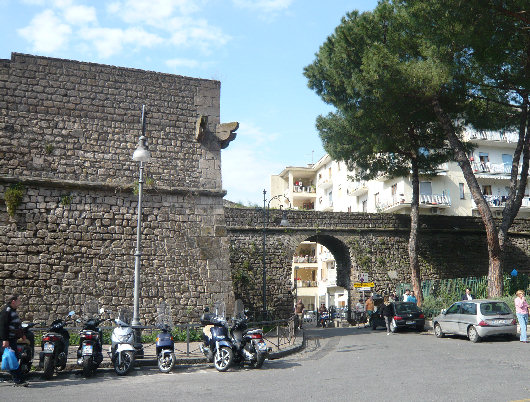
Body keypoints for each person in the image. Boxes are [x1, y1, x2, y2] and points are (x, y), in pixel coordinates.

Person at [0, 294, 28, 386]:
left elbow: (16, 326)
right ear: (13, 301)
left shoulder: (12, 311)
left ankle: (17, 378)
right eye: (18, 301)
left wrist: (22, 335)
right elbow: (3, 326)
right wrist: (5, 339)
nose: (19, 302)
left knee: (11, 358)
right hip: (8, 340)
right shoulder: (7, 311)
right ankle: (18, 380)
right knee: (13, 359)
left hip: (11, 339)